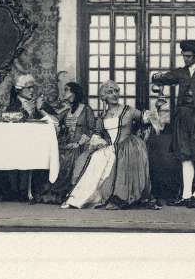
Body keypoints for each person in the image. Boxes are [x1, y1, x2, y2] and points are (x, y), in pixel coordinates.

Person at [152, 40, 195, 209]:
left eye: (189, 56)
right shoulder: (181, 72)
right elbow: (164, 78)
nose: (186, 59)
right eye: (183, 56)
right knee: (185, 157)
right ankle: (186, 196)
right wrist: (156, 77)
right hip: (182, 120)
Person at [62, 80, 152, 210]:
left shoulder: (128, 110)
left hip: (126, 147)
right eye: (110, 92)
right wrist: (97, 142)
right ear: (104, 96)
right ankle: (78, 199)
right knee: (94, 158)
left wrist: (157, 109)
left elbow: (146, 119)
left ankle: (115, 195)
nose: (114, 94)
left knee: (105, 158)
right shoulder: (103, 116)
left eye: (116, 91)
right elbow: (97, 133)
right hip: (110, 147)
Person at [37, 82, 95, 204]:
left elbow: (92, 130)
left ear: (74, 93)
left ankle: (68, 193)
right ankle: (56, 192)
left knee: (71, 156)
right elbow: (55, 121)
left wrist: (79, 143)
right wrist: (40, 109)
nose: (64, 92)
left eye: (66, 90)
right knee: (54, 154)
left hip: (82, 145)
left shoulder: (86, 109)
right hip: (68, 144)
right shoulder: (67, 110)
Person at [4, 74, 58, 202]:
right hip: (17, 143)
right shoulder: (13, 105)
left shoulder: (40, 103)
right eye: (28, 88)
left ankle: (31, 190)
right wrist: (26, 112)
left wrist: (40, 109)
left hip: (38, 143)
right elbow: (9, 125)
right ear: (19, 89)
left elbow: (56, 121)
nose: (32, 90)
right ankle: (17, 191)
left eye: (33, 87)